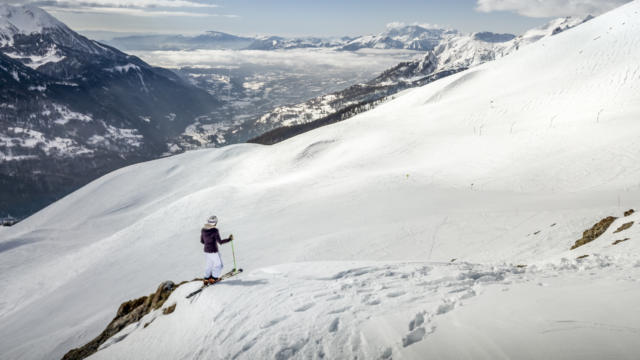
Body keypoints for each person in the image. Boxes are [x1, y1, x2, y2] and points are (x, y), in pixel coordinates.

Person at [200, 215, 233, 285]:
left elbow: (202, 241)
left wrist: (208, 242)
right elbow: (220, 242)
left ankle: (206, 278)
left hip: (206, 251)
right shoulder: (215, 230)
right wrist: (229, 239)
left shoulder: (203, 229)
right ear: (215, 223)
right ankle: (213, 278)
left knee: (209, 265)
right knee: (219, 265)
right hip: (213, 251)